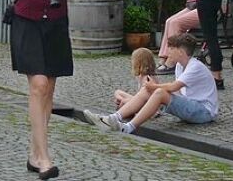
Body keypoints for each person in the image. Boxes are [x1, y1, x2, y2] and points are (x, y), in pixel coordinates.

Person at [4, 0, 83, 181]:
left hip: (56, 19)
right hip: (27, 17)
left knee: (48, 88)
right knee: (37, 84)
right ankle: (45, 156)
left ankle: (35, 153)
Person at [84, 33, 217, 133]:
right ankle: (112, 118)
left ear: (181, 52)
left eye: (171, 48)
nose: (167, 52)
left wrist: (155, 88)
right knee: (150, 90)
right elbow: (175, 90)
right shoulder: (180, 66)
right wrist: (153, 93)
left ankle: (127, 128)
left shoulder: (195, 66)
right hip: (191, 106)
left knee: (157, 91)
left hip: (204, 112)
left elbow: (174, 86)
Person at [156, 0, 199, 75]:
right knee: (169, 21)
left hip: (206, 3)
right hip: (194, 3)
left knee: (176, 23)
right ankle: (164, 58)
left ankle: (172, 61)